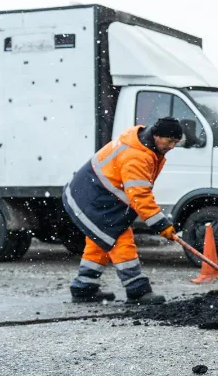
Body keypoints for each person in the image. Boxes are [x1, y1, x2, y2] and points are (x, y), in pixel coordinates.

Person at [63, 117, 183, 305]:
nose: (172, 146)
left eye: (176, 142)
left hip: (90, 194)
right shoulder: (137, 155)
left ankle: (83, 288)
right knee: (120, 239)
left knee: (101, 241)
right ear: (157, 136)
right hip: (93, 198)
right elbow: (139, 195)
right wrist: (161, 225)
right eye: (170, 141)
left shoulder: (145, 144)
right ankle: (137, 290)